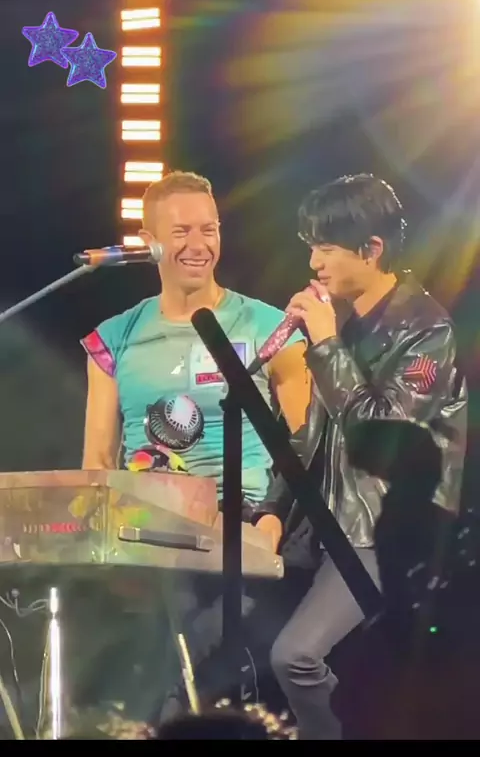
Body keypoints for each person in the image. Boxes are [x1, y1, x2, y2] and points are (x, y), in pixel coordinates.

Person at [252, 173, 467, 740]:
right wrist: (271, 509)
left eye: (326, 248)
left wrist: (325, 345)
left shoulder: (427, 330)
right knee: (236, 643)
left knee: (295, 655)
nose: (314, 263)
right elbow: (306, 434)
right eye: (311, 248)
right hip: (321, 528)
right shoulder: (342, 320)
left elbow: (383, 434)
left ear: (371, 249)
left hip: (382, 536)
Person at [81, 169, 310, 506]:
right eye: (181, 232)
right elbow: (97, 465)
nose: (199, 245)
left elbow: (310, 447)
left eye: (209, 230)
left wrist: (273, 517)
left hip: (243, 519)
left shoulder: (271, 328)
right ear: (149, 242)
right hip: (143, 521)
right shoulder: (112, 339)